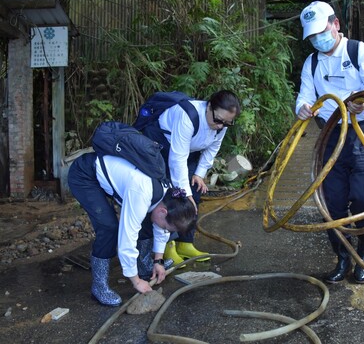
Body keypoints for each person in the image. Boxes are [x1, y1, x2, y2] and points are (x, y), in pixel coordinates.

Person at [296, 1, 364, 284]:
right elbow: (305, 96)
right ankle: (342, 256)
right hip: (332, 135)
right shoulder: (312, 62)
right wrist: (302, 107)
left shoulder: (359, 52)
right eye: (312, 37)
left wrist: (363, 102)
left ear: (336, 25)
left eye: (321, 32)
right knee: (331, 202)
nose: (318, 40)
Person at [68, 152, 197, 306]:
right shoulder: (142, 193)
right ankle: (99, 286)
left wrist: (158, 261)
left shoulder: (170, 198)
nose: (165, 231)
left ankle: (145, 266)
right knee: (109, 228)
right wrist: (136, 281)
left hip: (119, 179)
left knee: (150, 220)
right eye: (166, 227)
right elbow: (126, 239)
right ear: (163, 212)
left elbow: (161, 228)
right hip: (85, 174)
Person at [140, 90, 241, 265]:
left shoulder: (221, 125)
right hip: (161, 146)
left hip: (189, 150)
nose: (220, 126)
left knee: (195, 189)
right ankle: (167, 246)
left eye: (226, 124)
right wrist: (183, 193)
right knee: (171, 196)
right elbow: (177, 159)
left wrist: (199, 174)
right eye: (217, 120)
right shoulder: (187, 115)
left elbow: (212, 150)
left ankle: (185, 242)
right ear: (209, 106)